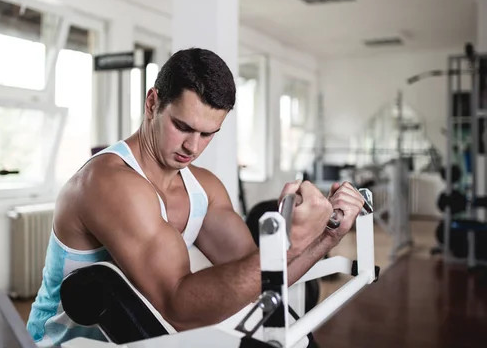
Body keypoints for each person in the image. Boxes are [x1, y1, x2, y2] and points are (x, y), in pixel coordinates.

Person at [26, 48, 364, 347]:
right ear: (152, 103)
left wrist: (327, 235)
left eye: (208, 134)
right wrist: (290, 241)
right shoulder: (108, 183)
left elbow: (262, 281)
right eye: (183, 127)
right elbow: (178, 307)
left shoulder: (204, 187)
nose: (193, 147)